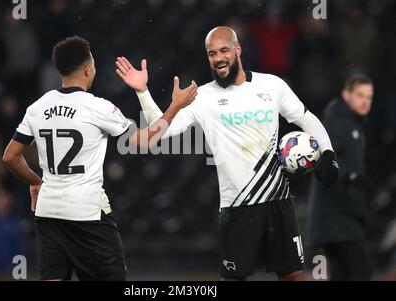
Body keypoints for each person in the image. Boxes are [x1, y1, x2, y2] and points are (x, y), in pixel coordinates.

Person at [115, 26, 339, 281]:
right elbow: (159, 133)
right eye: (212, 53)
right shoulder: (201, 97)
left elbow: (306, 119)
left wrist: (328, 154)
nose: (218, 57)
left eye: (224, 50)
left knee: (293, 277)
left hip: (278, 202)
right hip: (237, 207)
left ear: (238, 50)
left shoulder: (272, 85)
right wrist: (143, 92)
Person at [2, 36, 197, 281]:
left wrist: (35, 182)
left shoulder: (37, 107)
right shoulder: (97, 107)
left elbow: (10, 157)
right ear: (87, 69)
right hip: (88, 216)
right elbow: (146, 141)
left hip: (48, 213)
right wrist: (175, 106)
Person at [307, 73, 374, 281]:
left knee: (343, 275)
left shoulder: (351, 124)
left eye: (369, 97)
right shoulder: (337, 124)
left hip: (340, 218)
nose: (365, 101)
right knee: (361, 271)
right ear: (346, 95)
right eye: (360, 95)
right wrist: (351, 176)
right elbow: (325, 161)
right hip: (337, 217)